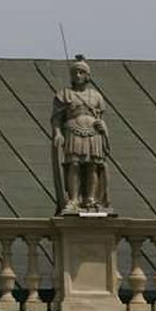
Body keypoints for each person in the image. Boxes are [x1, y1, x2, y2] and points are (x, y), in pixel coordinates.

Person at [51, 55, 114, 215]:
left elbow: (100, 116)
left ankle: (90, 198)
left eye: (81, 72)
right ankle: (74, 199)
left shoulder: (96, 96)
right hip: (73, 129)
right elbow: (56, 119)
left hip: (93, 133)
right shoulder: (65, 94)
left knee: (93, 165)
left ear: (87, 75)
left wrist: (102, 126)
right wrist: (58, 133)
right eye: (75, 73)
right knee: (74, 164)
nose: (77, 75)